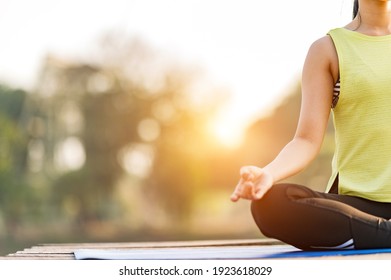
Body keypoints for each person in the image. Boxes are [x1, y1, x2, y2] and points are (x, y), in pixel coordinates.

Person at [230, 0, 391, 250]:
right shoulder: (329, 49)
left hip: (369, 225)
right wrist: (269, 173)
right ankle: (380, 232)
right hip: (359, 206)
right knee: (271, 205)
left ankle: (376, 235)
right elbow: (305, 140)